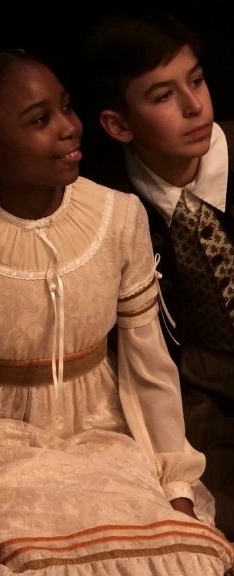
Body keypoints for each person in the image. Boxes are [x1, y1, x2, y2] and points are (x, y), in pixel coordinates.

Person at [0, 50, 232, 574]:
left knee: (176, 555)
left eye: (66, 108)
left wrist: (175, 481)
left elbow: (148, 365)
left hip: (104, 428)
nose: (68, 129)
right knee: (27, 553)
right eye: (40, 120)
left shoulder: (118, 218)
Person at [82, 9, 234, 540]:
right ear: (119, 125)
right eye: (163, 96)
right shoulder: (111, 208)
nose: (195, 106)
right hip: (194, 384)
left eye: (196, 81)